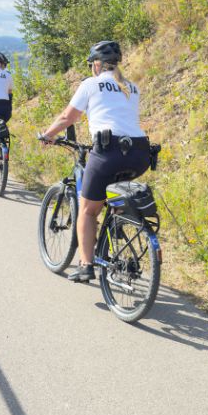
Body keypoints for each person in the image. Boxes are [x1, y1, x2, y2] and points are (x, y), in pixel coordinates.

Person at [40, 40, 151, 282]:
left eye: (92, 64)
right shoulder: (132, 87)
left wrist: (48, 135)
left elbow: (67, 117)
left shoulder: (91, 84)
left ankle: (86, 265)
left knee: (88, 211)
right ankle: (117, 222)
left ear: (97, 64)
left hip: (108, 151)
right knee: (114, 196)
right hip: (140, 153)